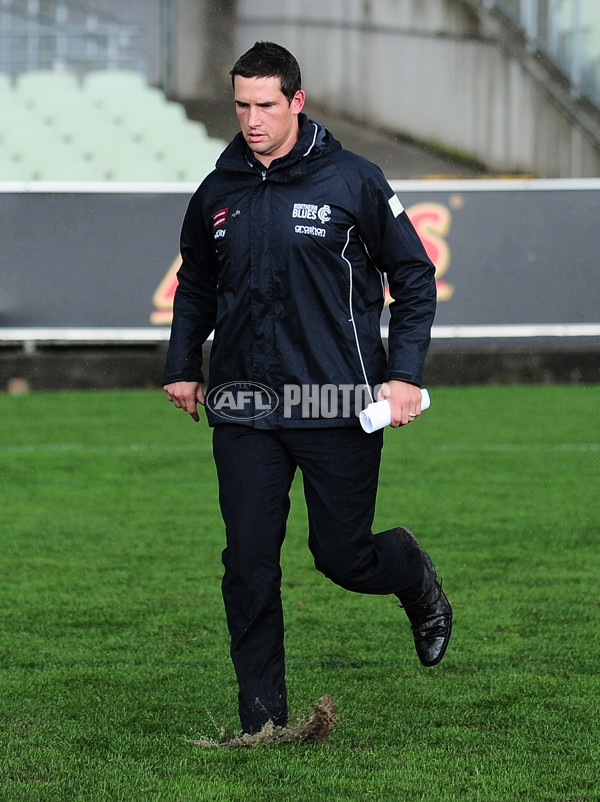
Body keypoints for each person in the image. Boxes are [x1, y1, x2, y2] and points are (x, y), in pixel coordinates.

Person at [163, 41, 452, 735]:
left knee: (343, 558)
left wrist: (404, 373)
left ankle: (409, 570)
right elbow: (196, 282)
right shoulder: (218, 189)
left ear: (297, 101)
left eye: (266, 105)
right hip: (243, 406)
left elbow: (412, 277)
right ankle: (263, 720)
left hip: (339, 405)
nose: (252, 120)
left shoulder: (354, 180)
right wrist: (182, 364)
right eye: (241, 106)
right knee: (249, 562)